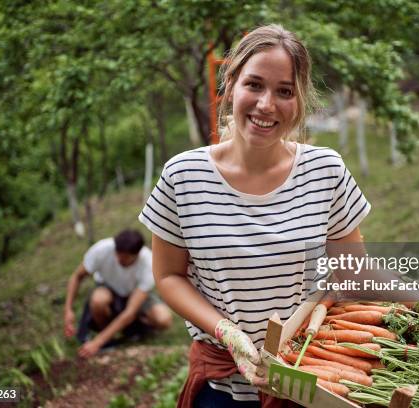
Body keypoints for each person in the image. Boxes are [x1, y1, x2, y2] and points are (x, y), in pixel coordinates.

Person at [139, 25, 370, 407]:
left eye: (284, 91)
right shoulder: (182, 176)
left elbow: (354, 271)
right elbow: (167, 275)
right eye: (255, 85)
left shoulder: (325, 170)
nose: (267, 104)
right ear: (231, 85)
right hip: (221, 389)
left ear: (300, 100)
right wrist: (227, 332)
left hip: (307, 382)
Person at [63, 229, 173, 358]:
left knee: (163, 319)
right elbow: (77, 277)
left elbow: (130, 312)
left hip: (134, 293)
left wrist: (96, 343)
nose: (118, 259)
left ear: (136, 255)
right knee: (98, 300)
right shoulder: (101, 249)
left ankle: (135, 330)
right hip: (108, 288)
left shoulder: (149, 263)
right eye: (117, 254)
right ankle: (107, 334)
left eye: (124, 257)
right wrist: (68, 310)